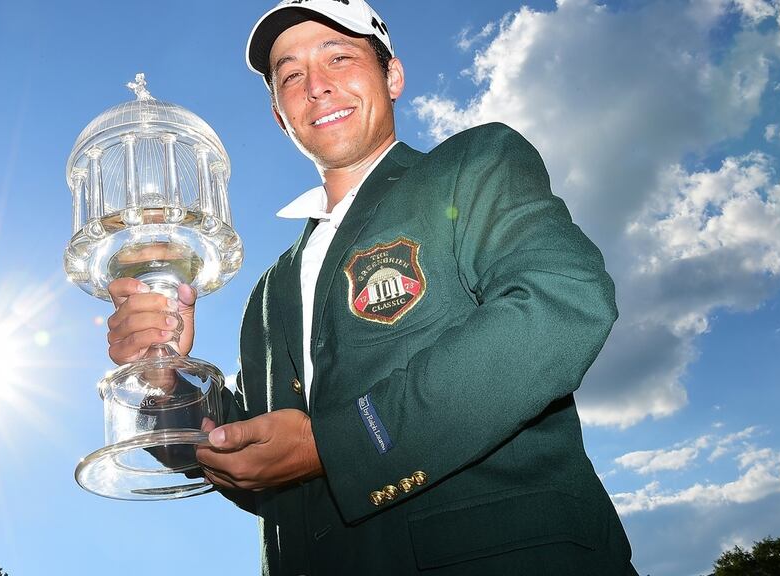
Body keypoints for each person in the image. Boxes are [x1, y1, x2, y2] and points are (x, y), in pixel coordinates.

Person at [107, 0, 639, 573]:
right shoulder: (268, 292)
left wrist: (334, 445)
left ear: (393, 75)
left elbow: (563, 302)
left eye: (339, 57)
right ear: (279, 115)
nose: (316, 86)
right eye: (290, 75)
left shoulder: (470, 168)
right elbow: (262, 468)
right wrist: (163, 378)